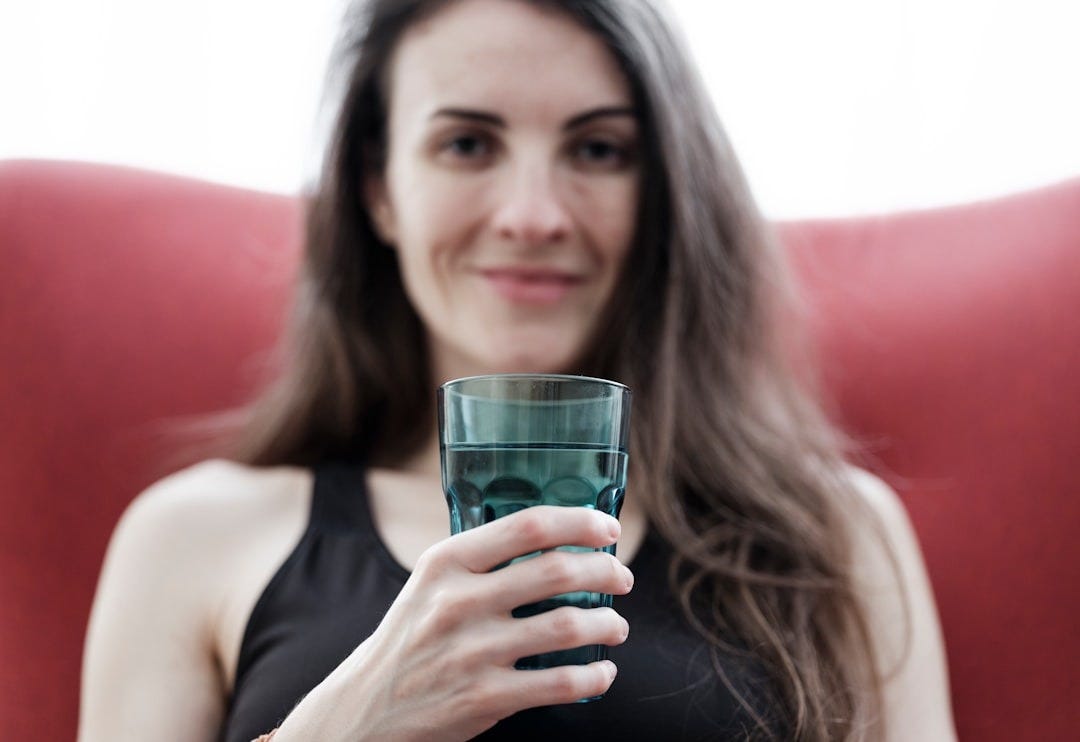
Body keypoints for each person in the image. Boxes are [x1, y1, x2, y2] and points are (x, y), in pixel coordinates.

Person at [78, 0, 956, 739]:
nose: (533, 215)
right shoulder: (195, 535)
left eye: (598, 150)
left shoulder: (831, 532)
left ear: (663, 197)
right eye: (467, 144)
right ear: (378, 189)